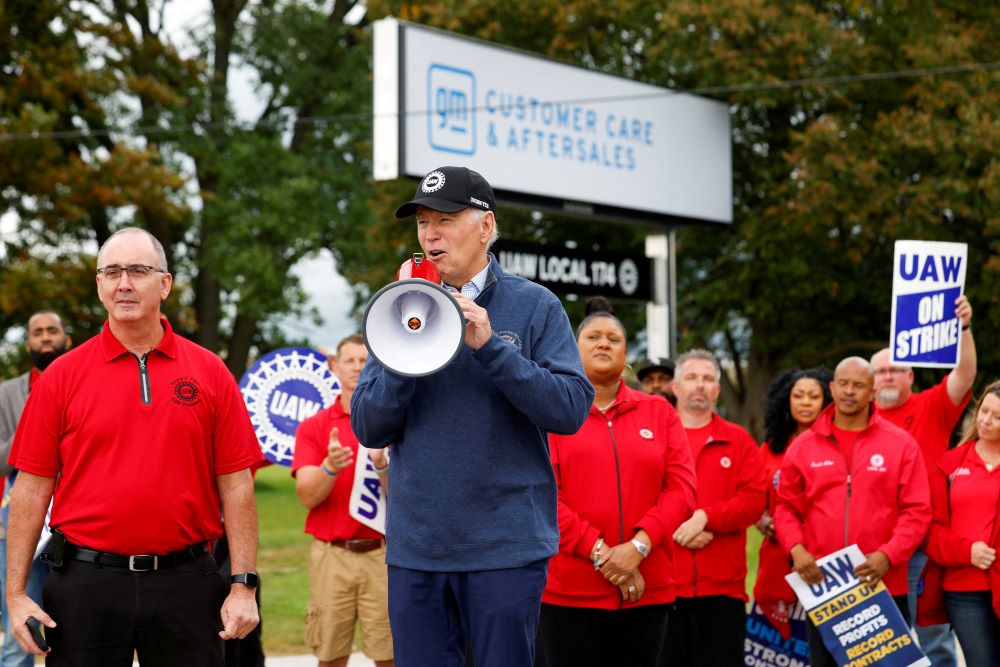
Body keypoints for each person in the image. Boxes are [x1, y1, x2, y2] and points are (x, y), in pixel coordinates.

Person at [350, 166, 594, 667]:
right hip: (418, 549)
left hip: (504, 549)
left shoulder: (535, 305)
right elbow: (369, 425)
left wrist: (492, 350)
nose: (429, 233)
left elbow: (570, 409)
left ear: (485, 226)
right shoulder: (396, 308)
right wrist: (407, 345)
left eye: (444, 218)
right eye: (421, 221)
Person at [5, 227, 263, 666]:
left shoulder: (210, 372)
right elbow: (30, 489)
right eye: (112, 272)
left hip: (186, 581)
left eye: (138, 271)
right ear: (100, 285)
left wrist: (242, 586)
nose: (124, 283)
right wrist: (14, 595)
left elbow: (237, 486)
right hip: (85, 584)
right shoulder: (60, 378)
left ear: (164, 284)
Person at [536, 305, 696, 666]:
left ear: (626, 356)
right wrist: (601, 553)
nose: (603, 344)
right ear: (573, 349)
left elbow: (683, 488)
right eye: (593, 337)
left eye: (614, 339)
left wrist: (637, 547)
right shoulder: (551, 413)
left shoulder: (660, 413)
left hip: (647, 589)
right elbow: (542, 494)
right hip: (568, 594)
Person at [774, 357, 931, 667]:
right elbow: (786, 507)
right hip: (824, 586)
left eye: (859, 385)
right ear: (831, 388)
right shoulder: (803, 446)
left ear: (872, 392)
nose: (849, 392)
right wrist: (797, 549)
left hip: (883, 584)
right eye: (843, 384)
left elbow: (917, 511)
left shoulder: (900, 445)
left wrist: (888, 555)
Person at [870, 294, 975, 667]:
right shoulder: (859, 419)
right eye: (880, 372)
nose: (887, 377)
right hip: (874, 545)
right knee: (876, 640)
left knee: (933, 636)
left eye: (895, 370)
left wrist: (962, 328)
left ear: (910, 376)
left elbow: (964, 377)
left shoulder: (931, 405)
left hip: (923, 544)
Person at [661, 348, 766, 667]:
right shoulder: (654, 438)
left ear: (717, 390)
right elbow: (637, 499)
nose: (700, 385)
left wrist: (707, 518)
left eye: (708, 379)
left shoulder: (738, 441)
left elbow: (754, 499)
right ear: (675, 387)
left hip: (723, 593)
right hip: (663, 588)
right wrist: (681, 529)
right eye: (691, 377)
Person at [293, 334, 393, 667]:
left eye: (365, 361)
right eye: (349, 361)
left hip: (383, 554)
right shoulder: (314, 427)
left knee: (391, 655)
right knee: (330, 656)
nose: (357, 368)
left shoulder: (392, 421)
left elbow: (405, 499)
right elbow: (307, 495)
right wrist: (329, 467)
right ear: (334, 366)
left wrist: (382, 466)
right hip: (332, 556)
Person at [0, 311, 71, 667]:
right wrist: (36, 423)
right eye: (38, 332)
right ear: (28, 343)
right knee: (19, 634)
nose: (45, 338)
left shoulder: (81, 385)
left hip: (72, 529)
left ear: (66, 339)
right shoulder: (6, 393)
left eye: (52, 331)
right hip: (17, 525)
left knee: (76, 634)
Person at [919, 380, 1000, 665]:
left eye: (997, 416)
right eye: (984, 411)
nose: (986, 420)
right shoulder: (949, 464)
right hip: (964, 590)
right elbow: (931, 531)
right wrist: (967, 552)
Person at [752, 367, 832, 638]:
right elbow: (755, 500)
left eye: (814, 396)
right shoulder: (770, 448)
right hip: (778, 557)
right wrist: (762, 520)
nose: (806, 402)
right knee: (780, 646)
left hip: (824, 557)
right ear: (787, 400)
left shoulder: (835, 445)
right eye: (798, 396)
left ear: (827, 401)